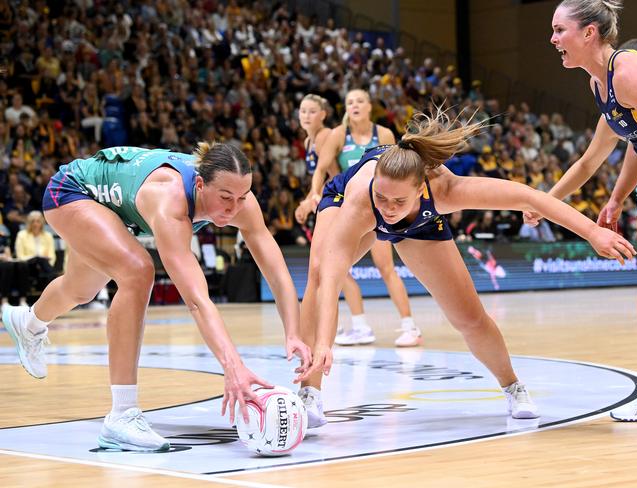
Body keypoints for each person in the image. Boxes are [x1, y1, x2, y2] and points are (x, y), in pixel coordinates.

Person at [294, 109, 635, 429]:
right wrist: (325, 343)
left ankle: (512, 386)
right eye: (383, 198)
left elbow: (529, 198)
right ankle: (311, 392)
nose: (389, 209)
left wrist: (591, 231)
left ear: (421, 188)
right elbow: (331, 280)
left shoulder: (445, 190)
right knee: (319, 274)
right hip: (344, 202)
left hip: (421, 224)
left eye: (399, 201)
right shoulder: (362, 201)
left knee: (470, 318)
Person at [2, 143, 311, 451]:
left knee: (80, 289)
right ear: (201, 185)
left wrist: (293, 332)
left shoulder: (238, 197)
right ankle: (121, 415)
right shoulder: (170, 201)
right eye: (226, 198)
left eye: (242, 197)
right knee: (137, 271)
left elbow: (276, 269)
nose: (234, 208)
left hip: (120, 208)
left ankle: (28, 323)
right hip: (73, 192)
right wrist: (233, 366)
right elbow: (197, 300)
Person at [529, 0, 637, 421]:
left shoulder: (630, 72)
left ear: (588, 33)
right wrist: (546, 203)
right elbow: (593, 160)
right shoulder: (600, 85)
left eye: (559, 29)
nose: (553, 39)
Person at [296, 89, 421, 348]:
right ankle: (358, 326)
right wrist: (312, 196)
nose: (354, 105)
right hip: (350, 208)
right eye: (350, 102)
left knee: (386, 267)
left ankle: (410, 326)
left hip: (380, 207)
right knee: (336, 268)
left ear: (369, 106)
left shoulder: (384, 134)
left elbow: (400, 167)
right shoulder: (339, 135)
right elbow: (322, 170)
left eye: (360, 101)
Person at [15, 210, 57, 293]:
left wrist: (45, 263)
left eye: (38, 221)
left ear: (41, 223)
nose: (35, 224)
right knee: (37, 260)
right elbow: (20, 256)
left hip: (44, 265)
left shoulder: (48, 236)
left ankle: (50, 294)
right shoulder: (22, 235)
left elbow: (52, 256)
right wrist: (34, 258)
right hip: (28, 264)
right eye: (32, 221)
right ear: (29, 223)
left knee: (44, 264)